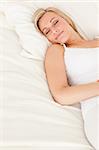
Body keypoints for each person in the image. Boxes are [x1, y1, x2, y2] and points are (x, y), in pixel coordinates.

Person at [33, 7, 99, 149]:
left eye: (55, 22)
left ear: (67, 20)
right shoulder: (58, 51)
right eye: (47, 31)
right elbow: (61, 94)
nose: (54, 30)